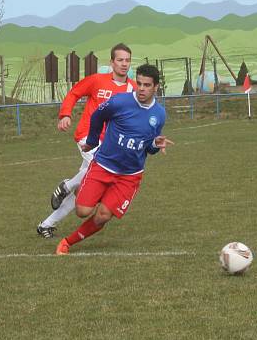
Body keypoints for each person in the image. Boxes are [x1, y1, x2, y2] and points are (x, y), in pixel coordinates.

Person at [55, 64, 173, 255]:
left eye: (147, 85)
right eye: (139, 83)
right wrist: (92, 141)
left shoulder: (159, 114)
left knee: (102, 215)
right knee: (82, 211)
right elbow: (97, 116)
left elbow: (149, 147)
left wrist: (156, 145)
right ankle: (87, 188)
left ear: (156, 87)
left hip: (129, 175)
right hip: (103, 165)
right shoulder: (119, 102)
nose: (141, 89)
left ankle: (67, 242)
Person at [36, 43, 136, 238]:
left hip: (110, 144)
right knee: (98, 169)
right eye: (120, 60)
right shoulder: (97, 80)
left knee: (84, 189)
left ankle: (46, 225)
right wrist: (65, 114)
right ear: (112, 62)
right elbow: (74, 93)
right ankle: (66, 185)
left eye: (127, 60)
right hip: (88, 137)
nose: (124, 64)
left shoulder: (132, 89)